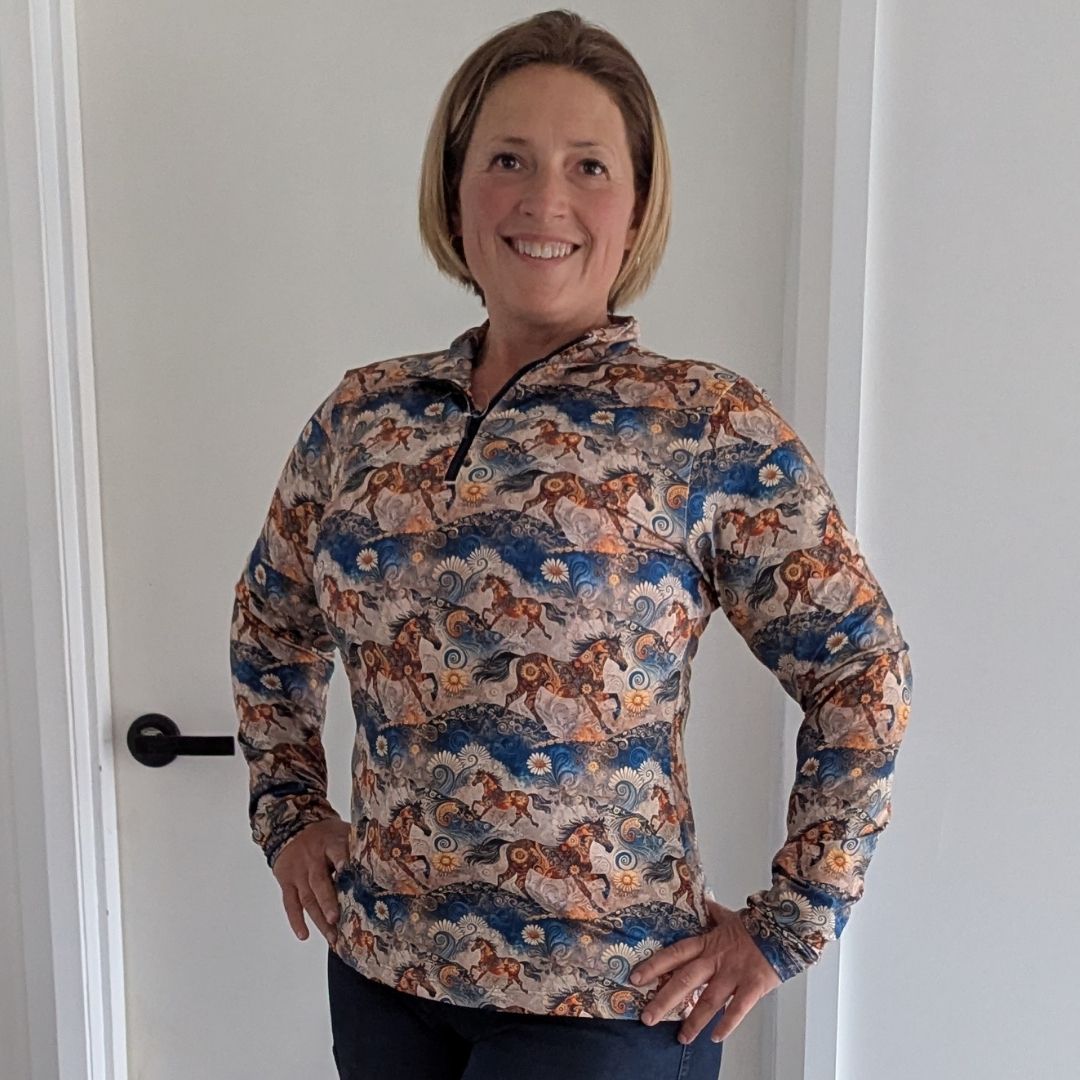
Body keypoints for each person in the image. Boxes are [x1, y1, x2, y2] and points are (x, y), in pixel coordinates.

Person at [229, 9, 913, 1079]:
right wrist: (287, 807)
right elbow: (270, 623)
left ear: (636, 208)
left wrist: (791, 922)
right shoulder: (364, 417)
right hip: (381, 975)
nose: (544, 200)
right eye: (508, 159)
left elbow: (861, 668)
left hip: (606, 1001)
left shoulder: (704, 424)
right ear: (455, 189)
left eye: (588, 166)